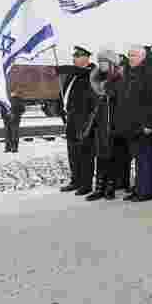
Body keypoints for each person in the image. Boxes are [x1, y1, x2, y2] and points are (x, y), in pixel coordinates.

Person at [117, 44, 152, 201]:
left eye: (134, 55)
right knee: (138, 158)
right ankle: (139, 188)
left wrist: (149, 124)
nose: (130, 58)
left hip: (143, 125)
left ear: (142, 57)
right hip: (131, 124)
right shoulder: (130, 73)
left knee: (145, 159)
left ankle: (146, 192)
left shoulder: (150, 73)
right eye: (129, 55)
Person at [85, 48, 127, 201]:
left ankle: (110, 187)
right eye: (100, 61)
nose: (101, 64)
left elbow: (122, 101)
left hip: (114, 123)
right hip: (100, 123)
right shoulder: (95, 79)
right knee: (100, 156)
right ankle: (99, 188)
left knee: (112, 157)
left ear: (111, 63)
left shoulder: (119, 79)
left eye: (104, 61)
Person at [56, 47, 96, 195]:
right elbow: (65, 94)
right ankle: (76, 180)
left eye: (78, 56)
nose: (74, 59)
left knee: (85, 153)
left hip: (85, 121)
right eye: (74, 56)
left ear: (86, 58)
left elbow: (84, 73)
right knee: (73, 152)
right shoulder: (73, 75)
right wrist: (61, 109)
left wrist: (63, 68)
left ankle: (86, 184)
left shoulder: (92, 72)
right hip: (71, 119)